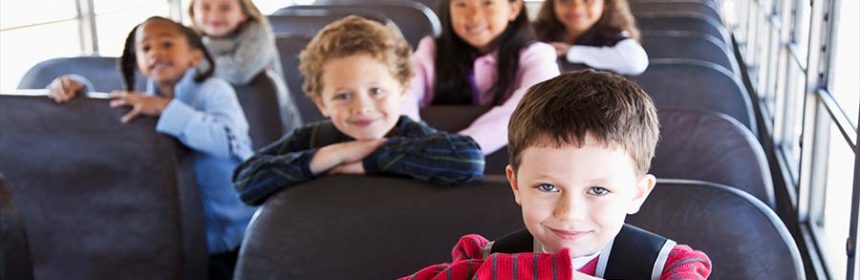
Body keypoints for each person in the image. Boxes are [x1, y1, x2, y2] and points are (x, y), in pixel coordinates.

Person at [400, 71, 711, 279]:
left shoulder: (669, 267)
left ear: (637, 193)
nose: (569, 213)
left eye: (598, 190)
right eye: (547, 186)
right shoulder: (481, 261)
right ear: (516, 184)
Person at [46, 16, 255, 280]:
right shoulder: (145, 99)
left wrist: (166, 109)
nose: (155, 52)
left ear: (195, 57)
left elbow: (226, 141)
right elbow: (111, 115)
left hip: (236, 230)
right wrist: (77, 89)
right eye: (145, 49)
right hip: (184, 235)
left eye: (167, 44)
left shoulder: (213, 90)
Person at [232, 16, 485, 206]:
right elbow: (246, 183)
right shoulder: (309, 141)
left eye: (376, 91)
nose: (362, 107)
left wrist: (373, 158)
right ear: (321, 102)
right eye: (343, 96)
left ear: (403, 89)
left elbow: (470, 161)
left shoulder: (417, 139)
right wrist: (330, 156)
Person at [401, 0, 560, 156]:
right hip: (428, 165)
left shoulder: (536, 55)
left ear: (514, 9)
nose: (474, 16)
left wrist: (452, 150)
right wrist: (416, 141)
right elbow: (402, 93)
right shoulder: (431, 51)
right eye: (461, 4)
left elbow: (532, 105)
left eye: (487, 3)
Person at [533, 0, 649, 75]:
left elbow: (637, 62)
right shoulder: (538, 34)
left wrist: (572, 51)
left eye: (587, 0)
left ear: (605, 4)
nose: (576, 7)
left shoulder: (613, 37)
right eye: (565, 0)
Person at [189, 0, 282, 85]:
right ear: (194, 12)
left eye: (225, 8)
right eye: (205, 7)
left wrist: (192, 62)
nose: (214, 15)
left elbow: (240, 71)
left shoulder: (256, 32)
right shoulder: (188, 37)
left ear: (243, 13)